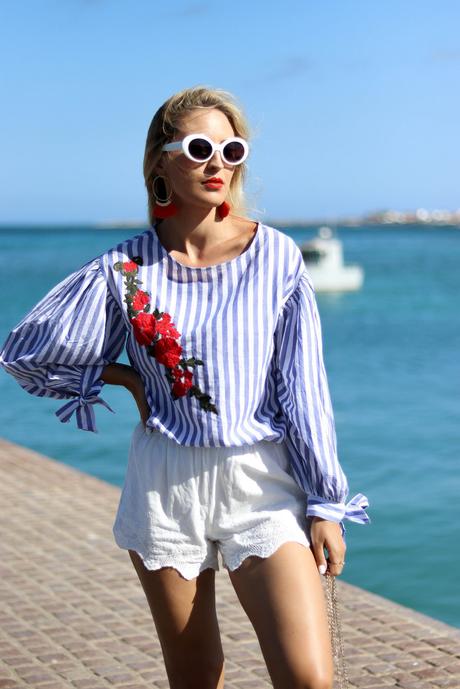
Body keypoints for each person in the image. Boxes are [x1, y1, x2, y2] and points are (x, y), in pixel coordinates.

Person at [0, 85, 369, 689]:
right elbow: (23, 355)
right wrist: (119, 376)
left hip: (262, 483)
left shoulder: (275, 257)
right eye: (200, 147)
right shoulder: (124, 268)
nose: (218, 163)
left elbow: (304, 390)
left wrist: (327, 502)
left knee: (309, 678)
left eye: (232, 149)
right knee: (196, 678)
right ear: (161, 162)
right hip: (164, 485)